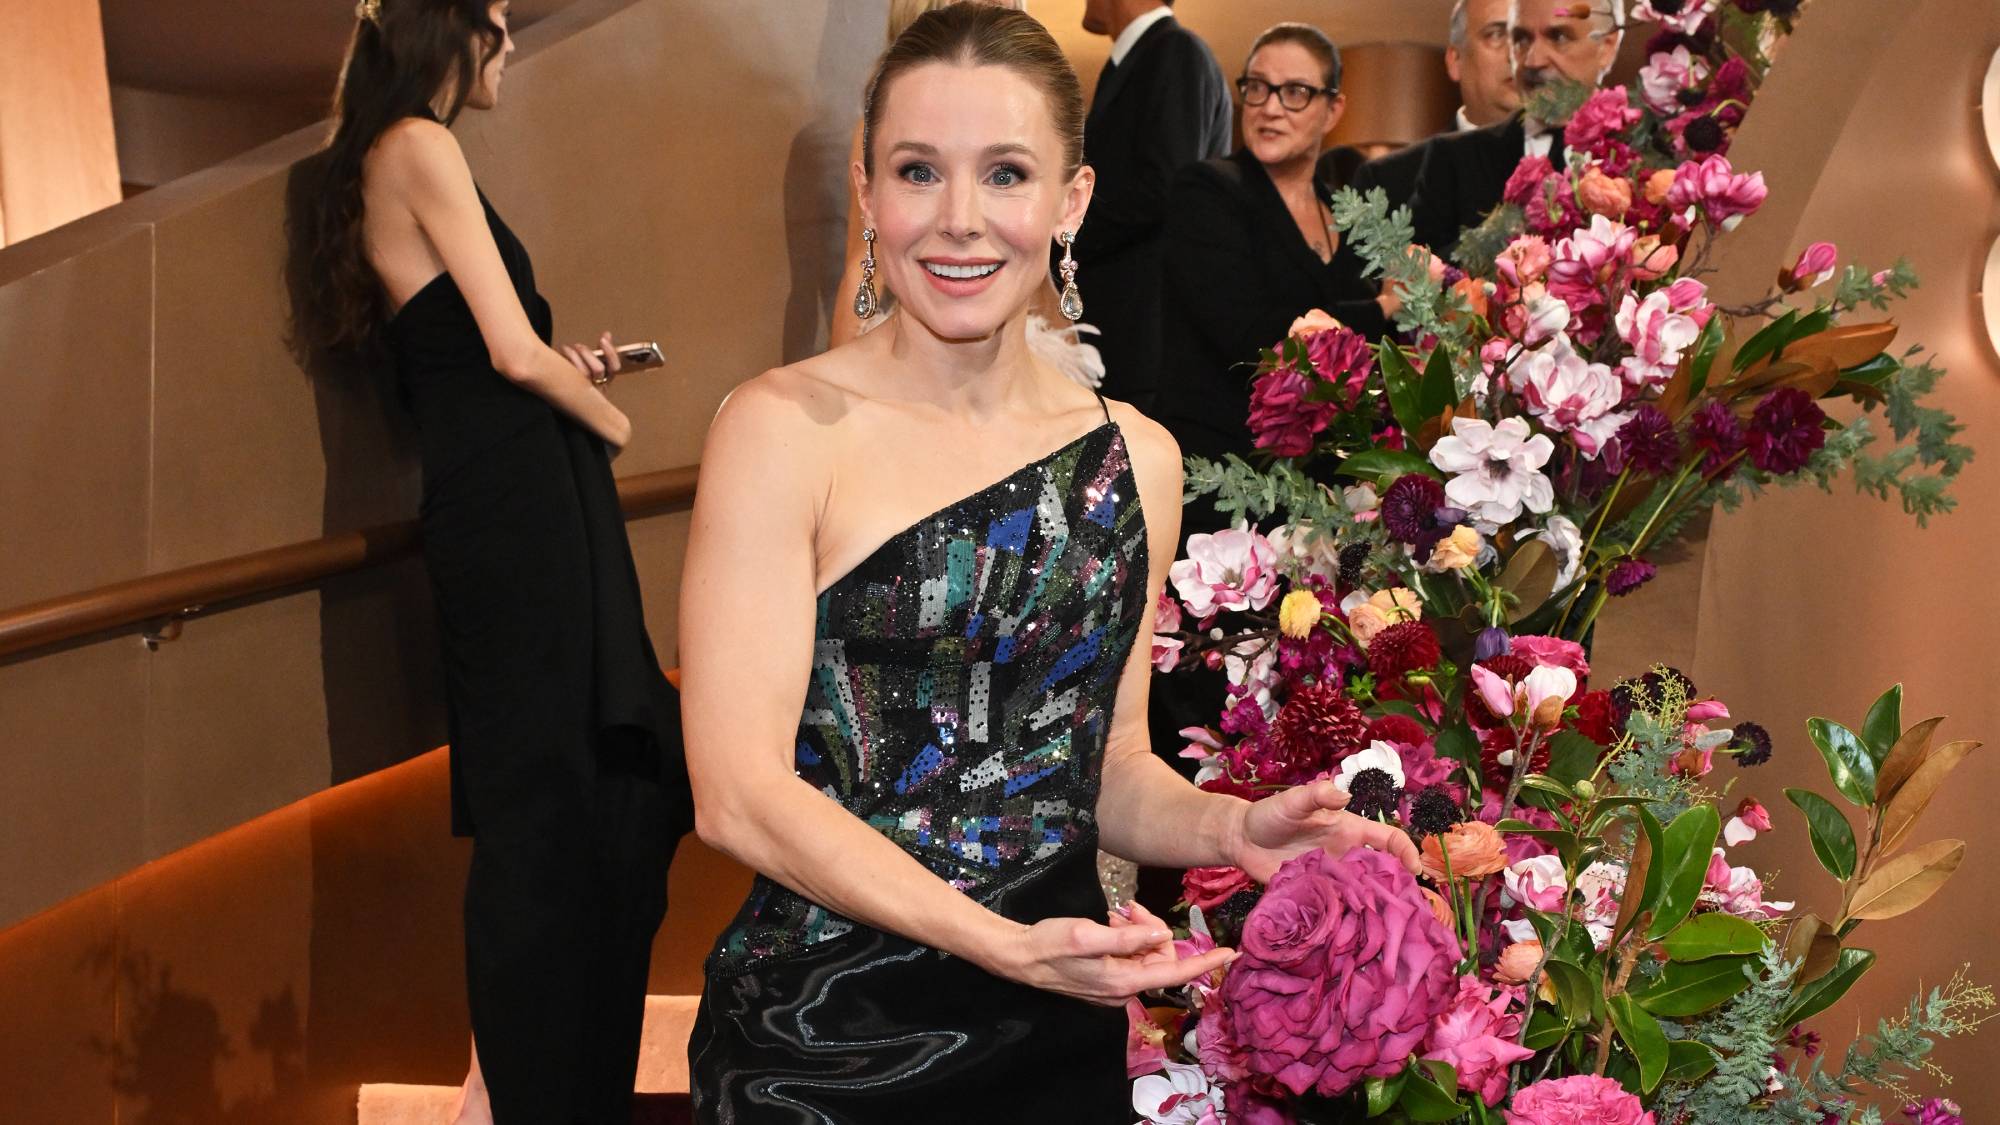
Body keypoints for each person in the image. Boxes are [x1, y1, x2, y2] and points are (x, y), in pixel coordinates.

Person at [678, 7, 1418, 1122]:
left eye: (1007, 174)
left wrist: (1226, 826)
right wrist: (1000, 945)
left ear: (1070, 200)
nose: (959, 221)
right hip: (820, 1042)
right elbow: (737, 796)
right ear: (869, 191)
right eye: (919, 171)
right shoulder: (779, 430)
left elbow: (1103, 762)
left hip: (1053, 1033)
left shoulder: (1139, 460)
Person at [292, 2, 689, 1121]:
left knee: (585, 781)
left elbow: (485, 353)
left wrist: (572, 376)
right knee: (557, 797)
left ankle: (543, 1082)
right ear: (450, 28)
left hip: (509, 493)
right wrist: (605, 428)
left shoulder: (372, 158)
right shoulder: (419, 144)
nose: (511, 47)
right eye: (502, 24)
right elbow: (509, 352)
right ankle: (537, 1088)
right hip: (518, 501)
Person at [1069, 0, 1231, 412]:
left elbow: (1164, 189)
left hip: (1143, 339)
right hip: (1125, 337)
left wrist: (1060, 235)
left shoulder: (1175, 52)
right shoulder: (1136, 61)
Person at [1404, 0, 1624, 259]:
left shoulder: (1651, 153)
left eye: (1558, 37)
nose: (1533, 60)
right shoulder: (1452, 159)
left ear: (1606, 47)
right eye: (1521, 39)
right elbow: (1412, 281)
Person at [1350, 0, 1522, 210]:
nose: (1516, 54)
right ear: (1455, 60)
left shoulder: (1570, 164)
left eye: (1523, 37)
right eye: (1496, 35)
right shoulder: (1385, 182)